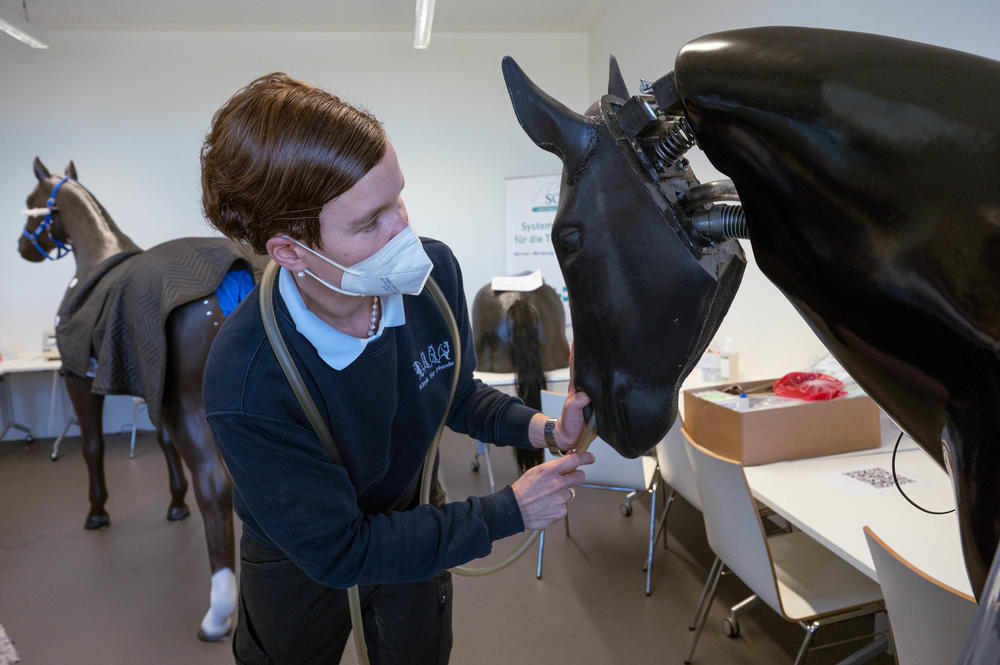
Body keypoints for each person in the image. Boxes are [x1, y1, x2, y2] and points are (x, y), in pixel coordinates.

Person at [200, 72, 593, 665]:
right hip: (304, 558)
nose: (403, 228)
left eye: (398, 198)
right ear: (289, 251)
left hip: (416, 528)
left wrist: (543, 429)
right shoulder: (247, 376)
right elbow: (341, 551)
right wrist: (508, 510)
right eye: (369, 221)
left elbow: (454, 391)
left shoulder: (432, 278)